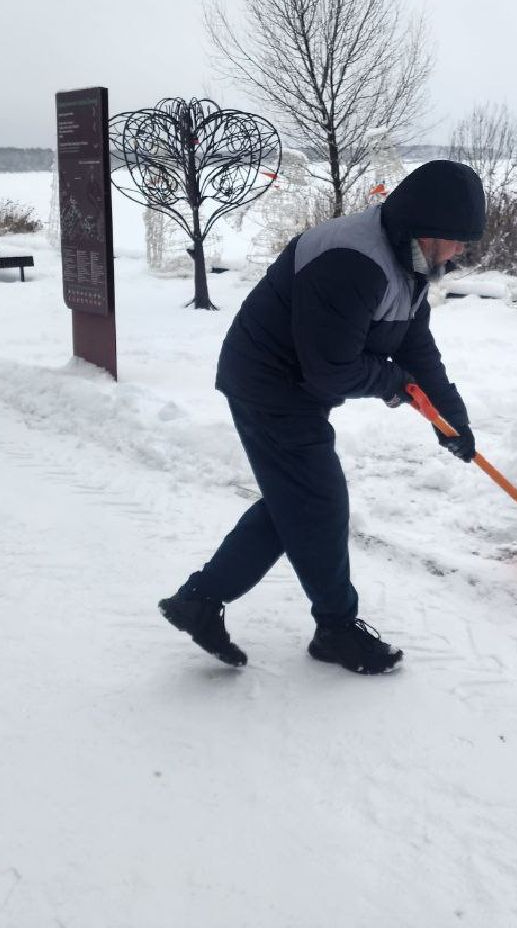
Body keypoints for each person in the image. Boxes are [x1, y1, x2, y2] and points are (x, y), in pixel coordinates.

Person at [160, 159, 485, 674]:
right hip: (269, 383)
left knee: (297, 502)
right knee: (319, 502)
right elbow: (332, 372)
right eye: (455, 239)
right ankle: (335, 627)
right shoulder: (351, 261)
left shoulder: (411, 262)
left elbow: (415, 346)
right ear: (422, 228)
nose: (461, 250)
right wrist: (396, 385)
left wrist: (451, 420)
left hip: (298, 384)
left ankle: (198, 600)